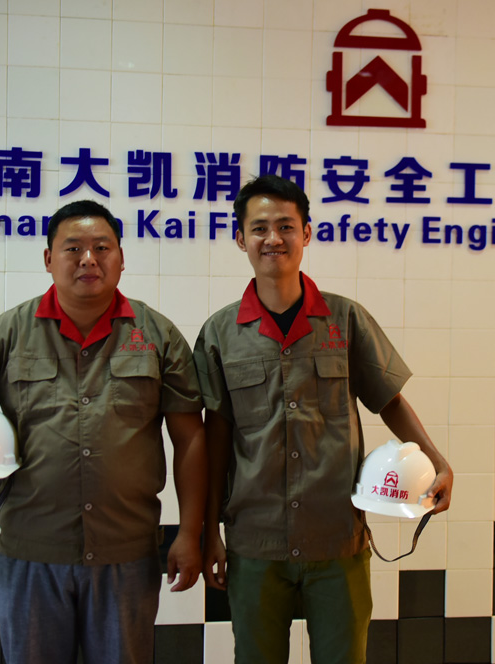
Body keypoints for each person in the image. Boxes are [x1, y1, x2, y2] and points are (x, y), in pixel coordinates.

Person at [0, 200, 207, 664]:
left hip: (126, 555)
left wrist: (190, 533)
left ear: (121, 258)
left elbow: (190, 438)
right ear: (49, 258)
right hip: (31, 556)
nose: (88, 259)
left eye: (102, 248)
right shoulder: (10, 333)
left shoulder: (157, 335)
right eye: (73, 248)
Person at [193, 175, 453, 664]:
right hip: (255, 541)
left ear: (306, 233)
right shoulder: (220, 333)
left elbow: (390, 400)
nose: (273, 238)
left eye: (286, 226)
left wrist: (439, 461)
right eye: (259, 228)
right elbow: (216, 437)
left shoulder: (345, 318)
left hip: (338, 539)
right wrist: (210, 533)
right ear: (240, 238)